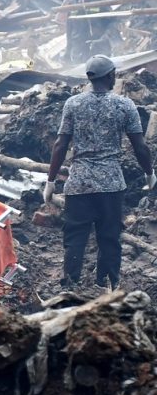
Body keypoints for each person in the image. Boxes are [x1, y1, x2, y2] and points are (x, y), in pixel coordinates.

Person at [45, 55, 155, 291]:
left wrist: (51, 181)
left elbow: (60, 145)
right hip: (111, 185)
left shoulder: (73, 104)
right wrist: (149, 173)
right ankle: (108, 284)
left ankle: (70, 285)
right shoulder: (124, 105)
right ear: (111, 76)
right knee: (109, 237)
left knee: (75, 237)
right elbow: (140, 146)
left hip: (79, 184)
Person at [62, 0, 112, 64]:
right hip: (78, 45)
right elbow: (69, 28)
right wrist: (68, 50)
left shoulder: (100, 0)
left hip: (97, 44)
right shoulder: (72, 4)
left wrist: (106, 37)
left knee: (99, 69)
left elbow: (112, 21)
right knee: (79, 73)